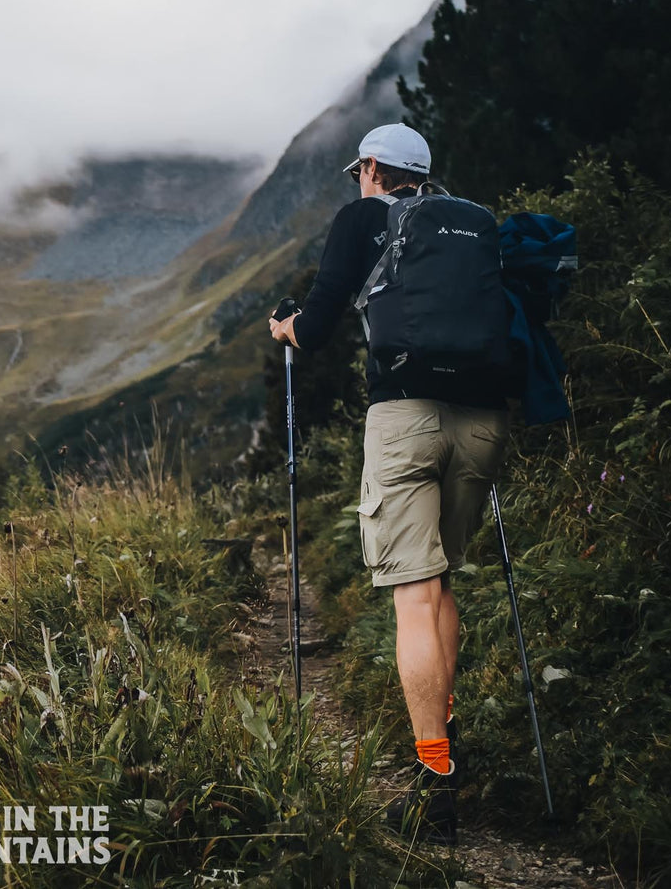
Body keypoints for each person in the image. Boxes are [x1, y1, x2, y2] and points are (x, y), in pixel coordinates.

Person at [267, 122, 509, 845]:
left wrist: (283, 329)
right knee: (441, 583)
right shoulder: (472, 222)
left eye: (357, 172)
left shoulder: (362, 216)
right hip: (483, 419)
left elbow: (316, 324)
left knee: (413, 591)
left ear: (370, 168)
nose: (357, 181)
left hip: (405, 415)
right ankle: (444, 732)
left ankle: (435, 781)